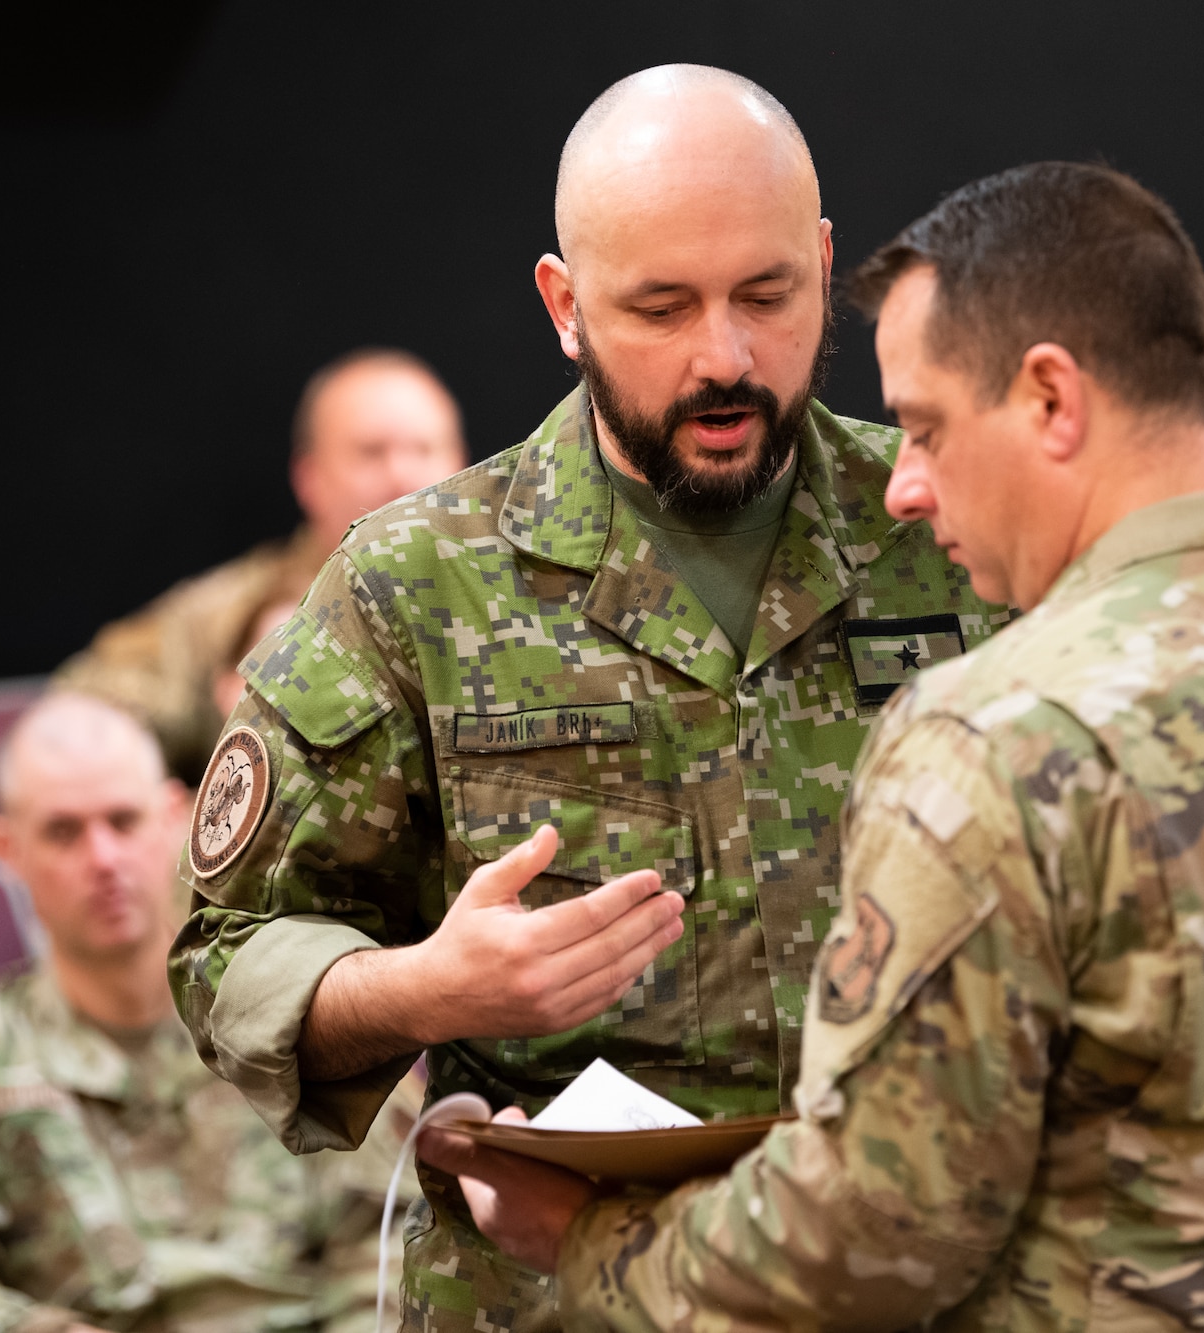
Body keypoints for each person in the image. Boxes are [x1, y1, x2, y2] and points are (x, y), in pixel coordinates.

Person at [425, 160, 1204, 1330]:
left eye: (922, 426)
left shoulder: (998, 733)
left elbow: (872, 1231)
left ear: (1051, 400)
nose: (901, 485)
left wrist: (590, 1241)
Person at [168, 66, 1002, 1331]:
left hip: (912, 1280)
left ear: (826, 265)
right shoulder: (418, 583)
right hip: (563, 1296)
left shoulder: (953, 527)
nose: (722, 356)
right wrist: (426, 990)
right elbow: (223, 957)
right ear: (565, 304)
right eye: (659, 307)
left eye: (766, 295)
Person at [0, 694, 414, 1332]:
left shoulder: (284, 1015)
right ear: (5, 848)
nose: (104, 860)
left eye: (123, 821)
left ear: (177, 817)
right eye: (64, 832)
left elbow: (388, 1229)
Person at [56, 348, 468, 784]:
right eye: (370, 452)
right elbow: (78, 716)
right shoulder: (233, 612)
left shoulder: (509, 590)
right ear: (310, 478)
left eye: (425, 449)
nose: (402, 474)